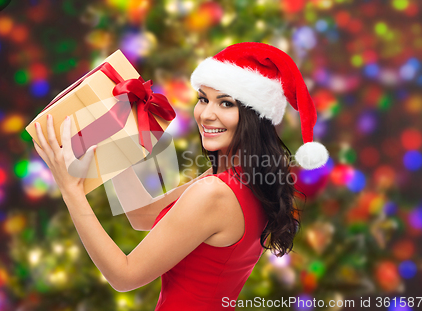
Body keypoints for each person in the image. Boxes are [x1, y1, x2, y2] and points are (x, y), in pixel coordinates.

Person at [32, 42, 329, 310]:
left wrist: (71, 190)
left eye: (226, 103)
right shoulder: (240, 180)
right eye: (203, 99)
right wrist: (116, 135)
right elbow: (143, 215)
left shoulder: (215, 193)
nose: (206, 114)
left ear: (255, 116)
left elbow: (124, 276)